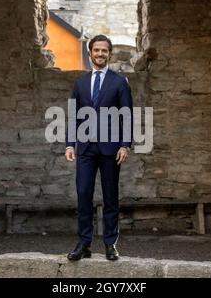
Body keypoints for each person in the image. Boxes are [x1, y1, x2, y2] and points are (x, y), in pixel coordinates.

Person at [65, 34, 133, 261]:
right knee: (84, 194)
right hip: (85, 148)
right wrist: (69, 143)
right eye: (96, 50)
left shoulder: (119, 82)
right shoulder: (80, 83)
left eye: (104, 50)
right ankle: (84, 244)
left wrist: (125, 144)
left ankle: (110, 244)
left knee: (110, 197)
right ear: (90, 52)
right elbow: (73, 116)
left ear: (109, 54)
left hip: (111, 149)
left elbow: (127, 115)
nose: (100, 54)